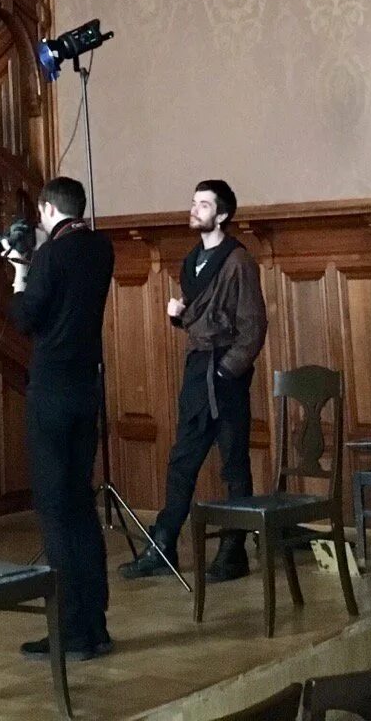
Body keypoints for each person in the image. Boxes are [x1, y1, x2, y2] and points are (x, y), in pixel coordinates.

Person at [120, 179, 266, 582]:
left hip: (225, 374)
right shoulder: (192, 261)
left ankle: (233, 551)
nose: (194, 209)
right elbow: (201, 320)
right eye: (194, 202)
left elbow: (252, 328)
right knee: (182, 459)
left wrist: (225, 371)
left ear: (222, 214)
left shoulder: (238, 261)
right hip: (197, 371)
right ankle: (163, 545)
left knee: (234, 462)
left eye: (204, 204)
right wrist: (179, 316)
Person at [9, 175, 116, 661]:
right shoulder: (101, 249)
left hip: (51, 391)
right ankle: (95, 625)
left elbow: (26, 317)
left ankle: (71, 631)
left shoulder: (50, 255)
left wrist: (19, 273)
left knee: (55, 510)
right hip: (86, 390)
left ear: (49, 210)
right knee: (81, 506)